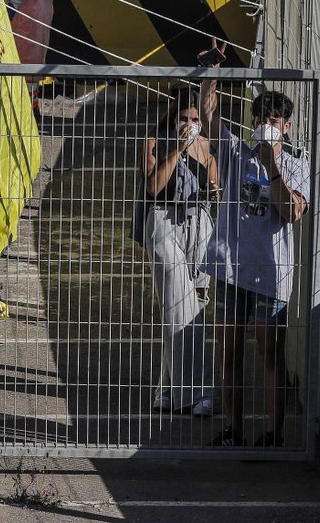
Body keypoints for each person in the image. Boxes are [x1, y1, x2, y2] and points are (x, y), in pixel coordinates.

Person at [199, 53, 310, 448]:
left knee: (269, 354)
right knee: (228, 352)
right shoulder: (235, 152)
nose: (266, 127)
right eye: (261, 120)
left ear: (287, 127)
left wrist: (272, 166)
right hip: (232, 267)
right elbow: (209, 118)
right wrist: (211, 76)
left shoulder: (298, 166)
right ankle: (232, 427)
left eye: (274, 122)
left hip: (271, 274)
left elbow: (290, 211)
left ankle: (274, 433)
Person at [138, 88, 219, 416]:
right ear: (173, 118)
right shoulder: (155, 141)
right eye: (183, 118)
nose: (189, 123)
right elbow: (153, 186)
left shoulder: (207, 145)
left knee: (196, 305)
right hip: (163, 219)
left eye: (195, 119)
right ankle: (197, 392)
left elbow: (214, 188)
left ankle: (168, 388)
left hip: (198, 222)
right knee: (175, 305)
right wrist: (178, 149)